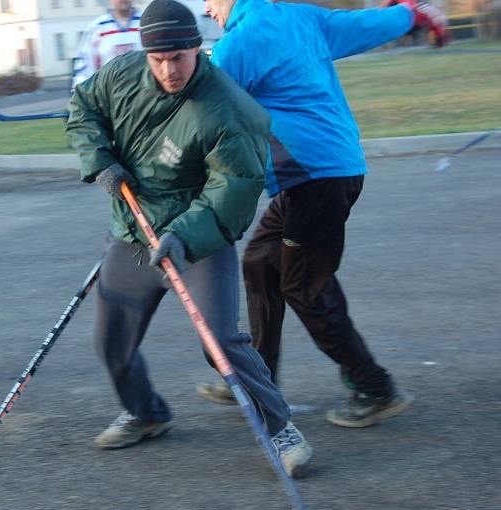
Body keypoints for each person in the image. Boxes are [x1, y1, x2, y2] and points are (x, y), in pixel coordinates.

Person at [66, 0, 312, 477]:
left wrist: (182, 235)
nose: (168, 69)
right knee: (111, 341)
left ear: (197, 49)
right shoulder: (122, 74)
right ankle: (146, 412)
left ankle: (280, 426)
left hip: (197, 239)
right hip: (135, 232)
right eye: (157, 59)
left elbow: (233, 190)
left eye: (178, 57)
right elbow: (83, 108)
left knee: (220, 341)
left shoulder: (230, 111)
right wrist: (99, 160)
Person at [198, 0, 449, 427]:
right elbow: (365, 24)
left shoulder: (238, 44)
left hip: (314, 179)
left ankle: (374, 387)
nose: (206, 8)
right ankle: (255, 377)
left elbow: (200, 116)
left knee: (305, 287)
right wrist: (412, 13)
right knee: (261, 262)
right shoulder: (299, 16)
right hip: (327, 172)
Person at [71, 0, 142, 89]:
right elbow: (84, 69)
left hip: (145, 95)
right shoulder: (97, 28)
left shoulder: (147, 23)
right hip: (109, 96)